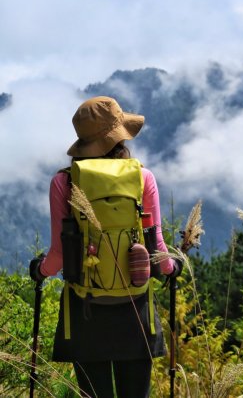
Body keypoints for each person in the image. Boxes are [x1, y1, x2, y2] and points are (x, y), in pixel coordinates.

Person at [29, 96, 181, 398]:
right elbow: (157, 246)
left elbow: (58, 255)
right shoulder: (142, 177)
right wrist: (172, 267)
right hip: (136, 310)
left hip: (85, 313)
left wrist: (39, 270)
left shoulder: (65, 182)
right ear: (120, 136)